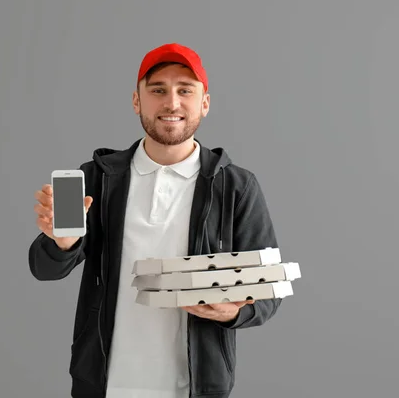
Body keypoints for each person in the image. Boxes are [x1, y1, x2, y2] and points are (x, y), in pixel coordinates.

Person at [28, 42, 282, 398]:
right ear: (137, 101)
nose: (172, 103)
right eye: (158, 90)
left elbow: (269, 294)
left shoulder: (236, 186)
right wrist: (62, 242)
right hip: (102, 383)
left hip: (196, 387)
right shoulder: (98, 178)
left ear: (204, 103)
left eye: (185, 91)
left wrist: (230, 313)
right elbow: (44, 269)